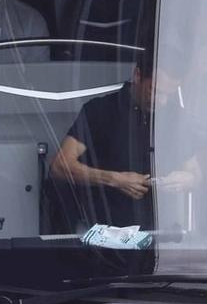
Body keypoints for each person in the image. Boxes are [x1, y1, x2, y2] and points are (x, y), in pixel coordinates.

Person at [48, 51, 196, 231]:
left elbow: (195, 171)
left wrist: (186, 179)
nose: (161, 101)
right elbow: (60, 166)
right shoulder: (100, 110)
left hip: (161, 233)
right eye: (155, 91)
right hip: (105, 231)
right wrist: (114, 179)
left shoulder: (176, 117)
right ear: (137, 75)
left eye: (168, 94)